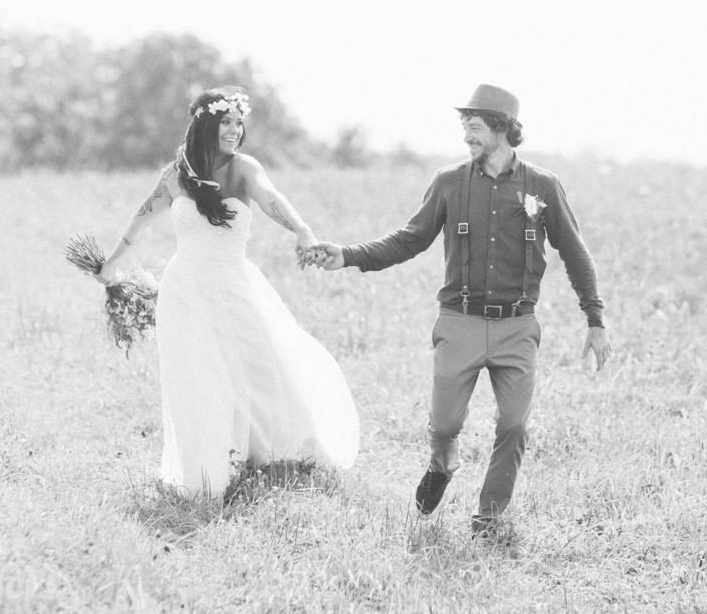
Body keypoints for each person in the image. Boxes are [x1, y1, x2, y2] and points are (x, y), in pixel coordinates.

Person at [313, 83, 610, 537]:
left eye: (475, 127)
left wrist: (595, 319)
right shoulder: (449, 182)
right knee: (447, 422)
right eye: (464, 127)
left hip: (517, 325)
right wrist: (348, 254)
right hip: (460, 321)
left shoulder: (543, 186)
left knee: (513, 425)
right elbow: (409, 239)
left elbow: (575, 252)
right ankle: (442, 462)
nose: (467, 136)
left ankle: (489, 515)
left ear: (503, 128)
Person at [97, 86, 358, 498]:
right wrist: (111, 265)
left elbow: (273, 199)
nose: (235, 130)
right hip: (184, 289)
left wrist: (303, 231)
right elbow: (140, 219)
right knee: (197, 376)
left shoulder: (243, 169)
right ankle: (207, 468)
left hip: (234, 284)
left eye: (240, 123)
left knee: (259, 365)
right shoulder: (176, 174)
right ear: (206, 124)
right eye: (226, 122)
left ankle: (268, 456)